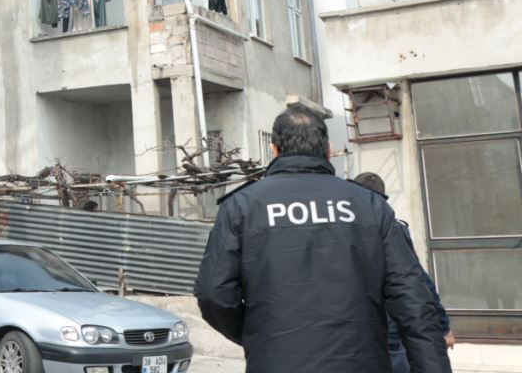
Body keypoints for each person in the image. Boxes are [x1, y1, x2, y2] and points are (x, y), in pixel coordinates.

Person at [194, 106, 451, 373]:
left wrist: (258, 334)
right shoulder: (368, 205)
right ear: (328, 150)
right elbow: (414, 300)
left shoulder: (242, 206)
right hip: (361, 362)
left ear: (274, 150)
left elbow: (213, 294)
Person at [352, 172, 454, 373]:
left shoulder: (344, 229)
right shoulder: (393, 228)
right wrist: (443, 325)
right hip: (390, 330)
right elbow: (419, 282)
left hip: (363, 333)